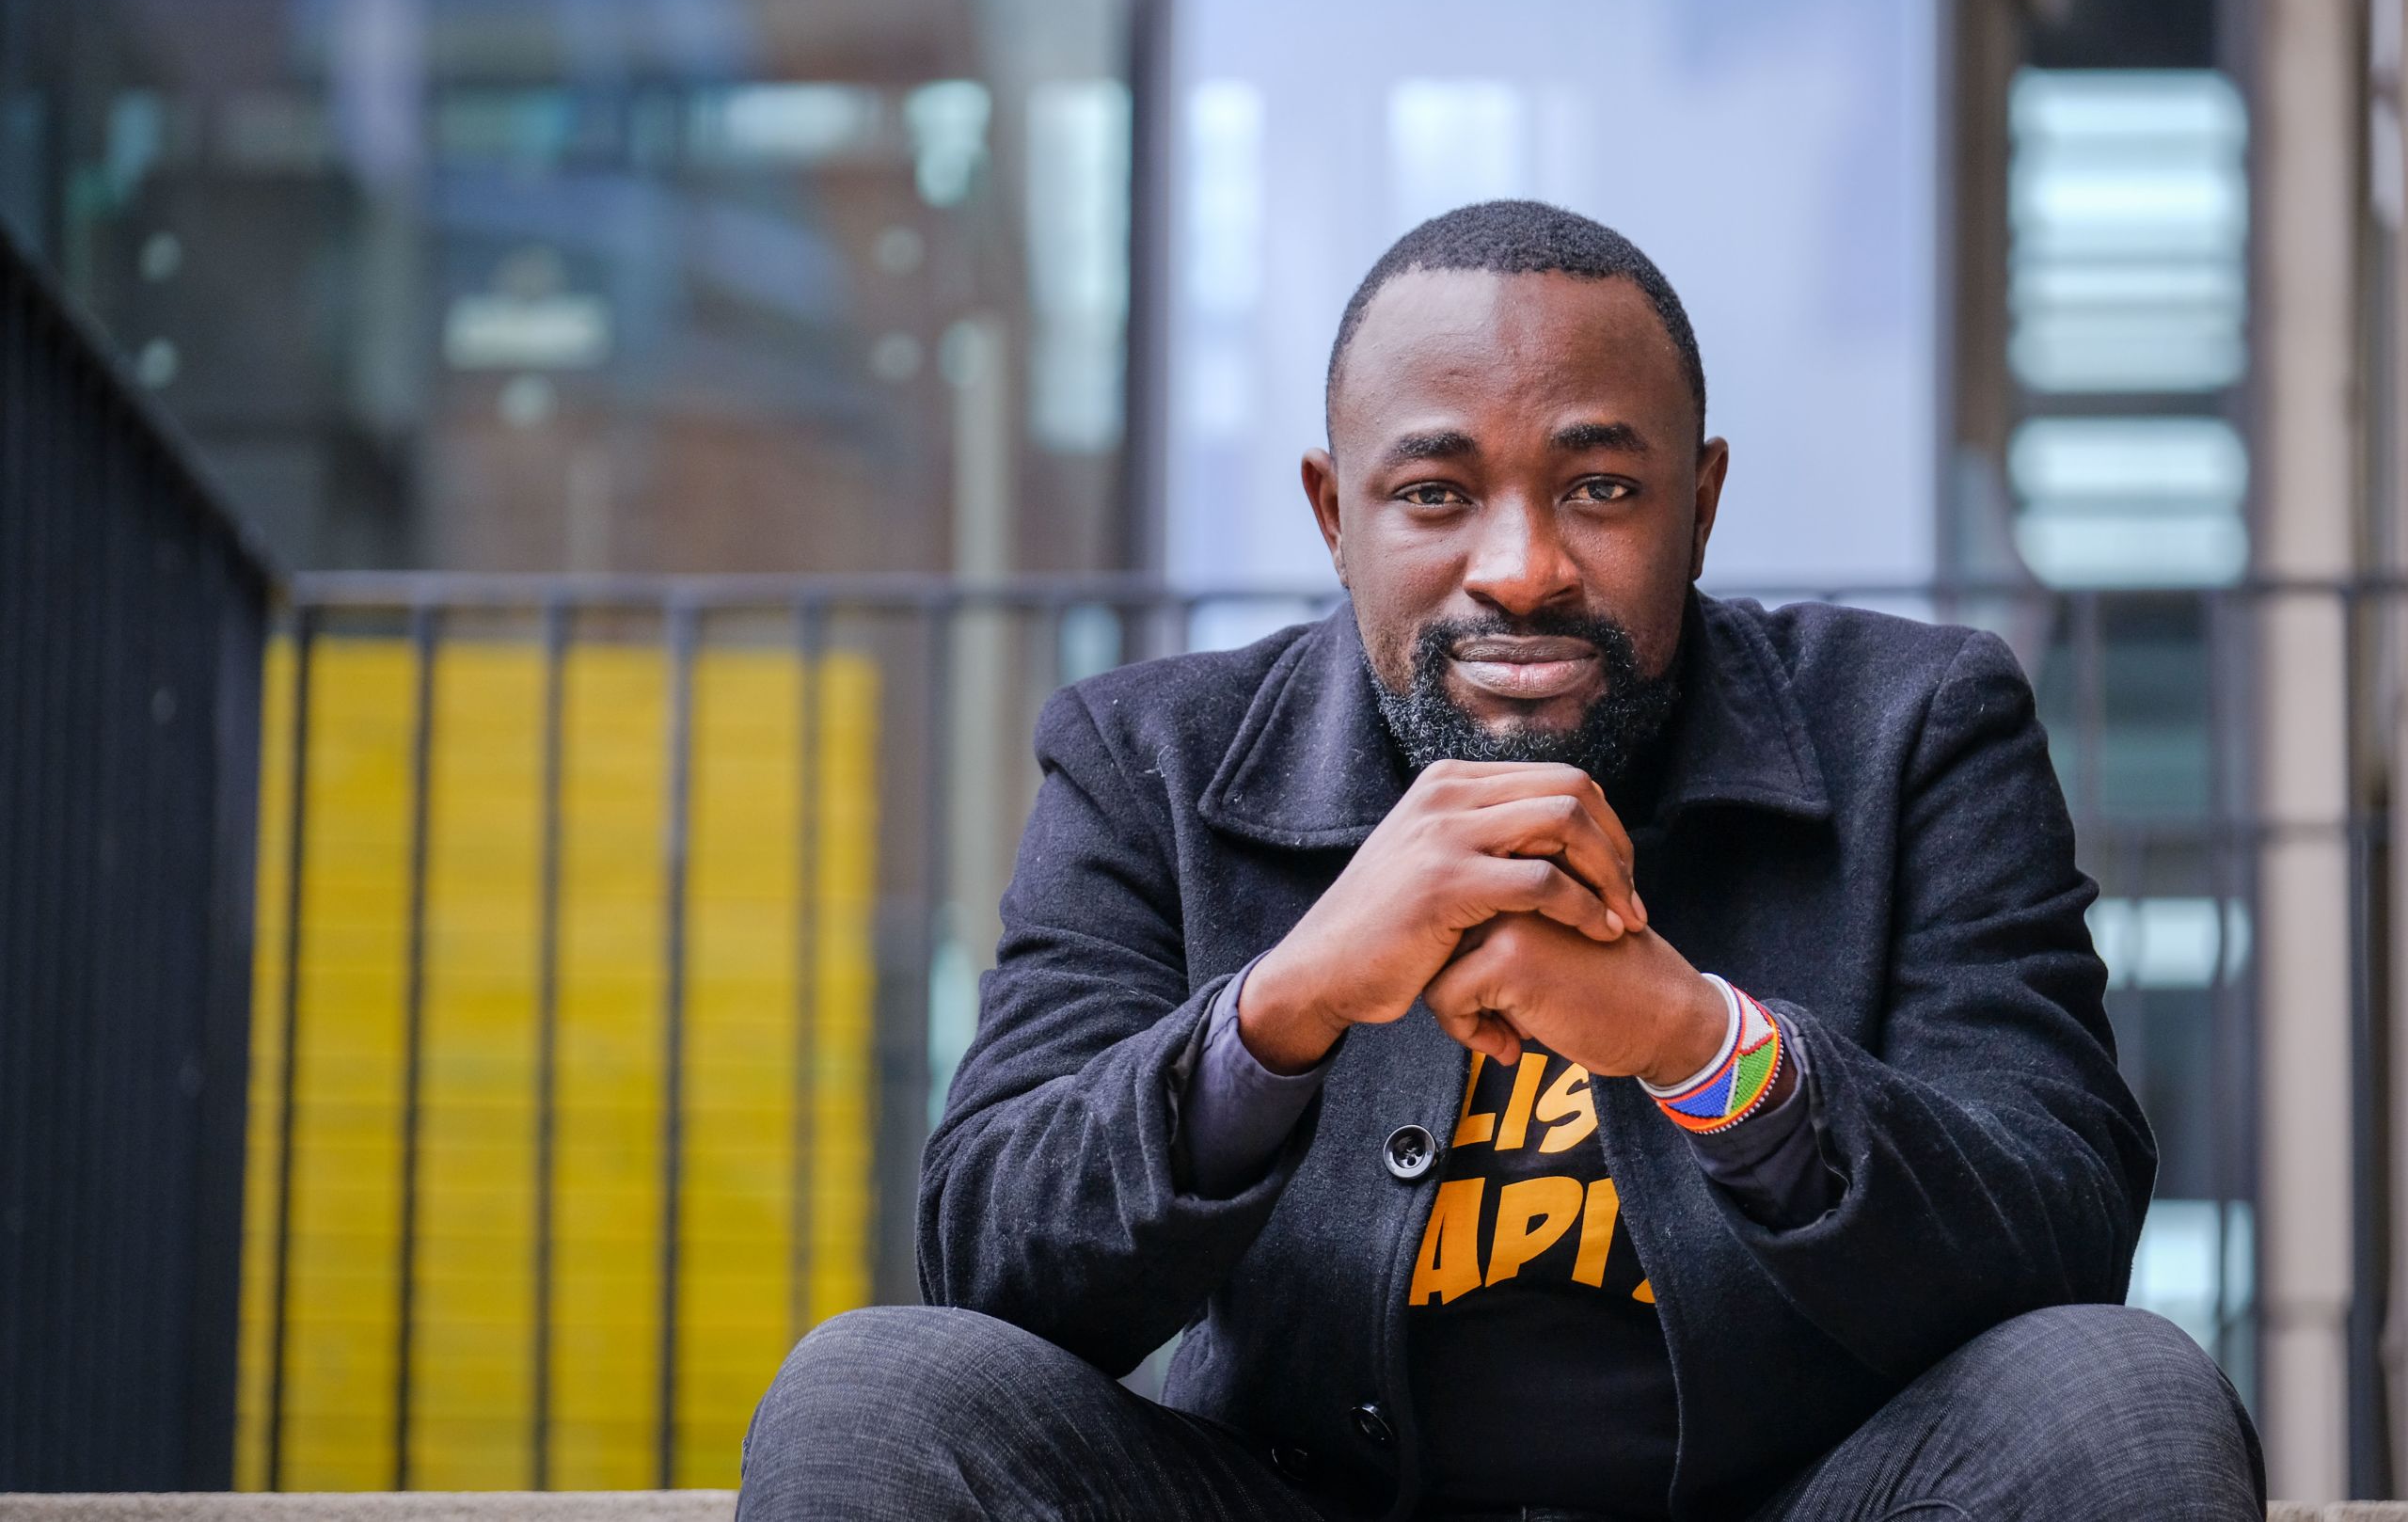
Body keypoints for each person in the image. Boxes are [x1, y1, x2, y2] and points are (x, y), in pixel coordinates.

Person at [737, 200, 2264, 1521]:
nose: (1521, 568)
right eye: (1434, 494)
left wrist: (1705, 1048)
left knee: (2116, 1396)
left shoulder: (1916, 730)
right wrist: (1281, 1010)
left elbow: (2058, 1228)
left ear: (1702, 504)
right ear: (1337, 515)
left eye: (1600, 488)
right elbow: (992, 1257)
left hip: (1806, 1497)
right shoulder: (1155, 762)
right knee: (876, 1392)